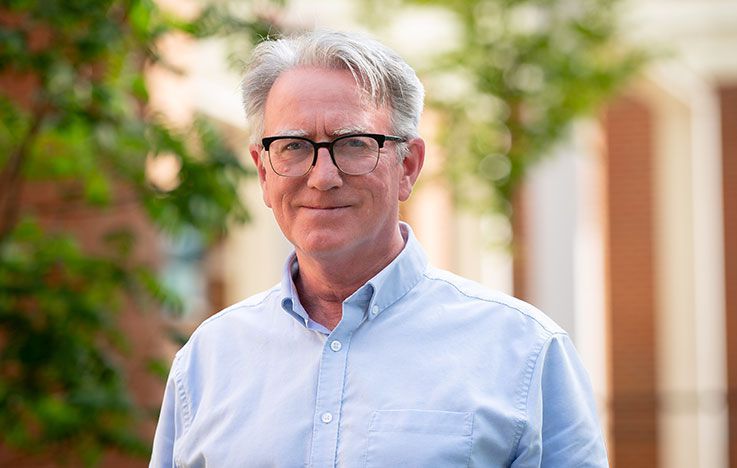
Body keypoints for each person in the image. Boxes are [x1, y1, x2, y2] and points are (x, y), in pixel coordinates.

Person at [150, 30, 608, 467]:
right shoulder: (207, 361)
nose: (323, 176)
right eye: (292, 146)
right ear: (264, 171)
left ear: (407, 166)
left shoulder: (524, 351)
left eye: (353, 144)